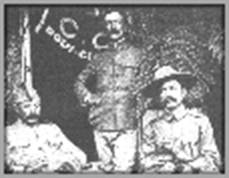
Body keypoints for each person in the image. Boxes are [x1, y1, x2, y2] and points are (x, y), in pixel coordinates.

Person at [74, 10, 144, 172]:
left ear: (125, 25)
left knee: (124, 169)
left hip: (127, 122)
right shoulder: (99, 57)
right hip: (101, 121)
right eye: (108, 23)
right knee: (105, 169)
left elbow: (147, 86)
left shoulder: (138, 54)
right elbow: (79, 82)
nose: (113, 27)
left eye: (117, 22)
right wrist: (88, 97)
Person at [140, 65, 221, 173]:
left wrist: (190, 166)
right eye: (163, 90)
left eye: (172, 88)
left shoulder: (200, 122)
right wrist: (163, 166)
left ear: (183, 93)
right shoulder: (152, 125)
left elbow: (213, 159)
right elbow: (144, 160)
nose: (167, 94)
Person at [5, 88, 87, 173]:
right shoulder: (8, 134)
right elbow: (6, 165)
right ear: (16, 109)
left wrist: (70, 164)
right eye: (26, 106)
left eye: (37, 106)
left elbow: (80, 155)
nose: (33, 111)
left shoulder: (51, 130)